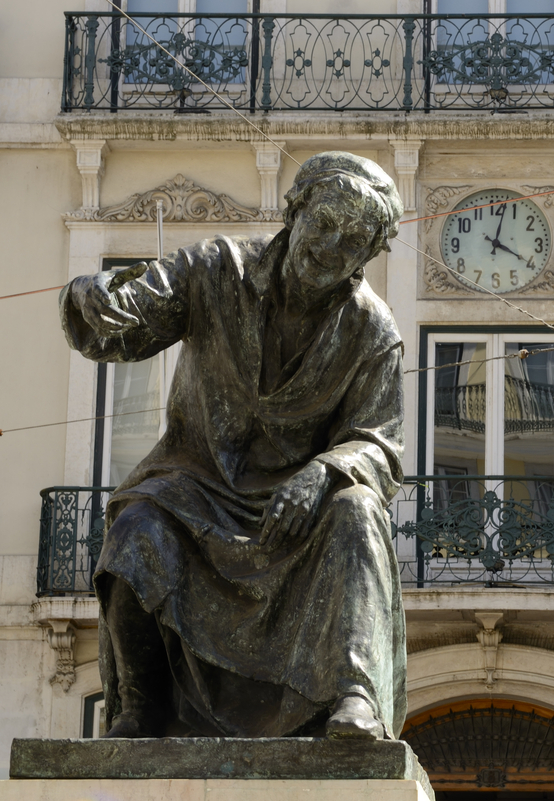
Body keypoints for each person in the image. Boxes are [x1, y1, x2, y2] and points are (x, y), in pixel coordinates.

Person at [59, 152, 406, 740]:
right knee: (138, 522)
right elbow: (135, 316)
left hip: (294, 516)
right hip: (194, 485)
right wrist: (94, 299)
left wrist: (325, 471)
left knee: (358, 510)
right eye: (324, 224)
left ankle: (355, 698)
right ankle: (140, 708)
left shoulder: (372, 329)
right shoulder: (216, 268)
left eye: (353, 241)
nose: (330, 247)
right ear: (295, 212)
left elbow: (379, 444)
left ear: (369, 254)